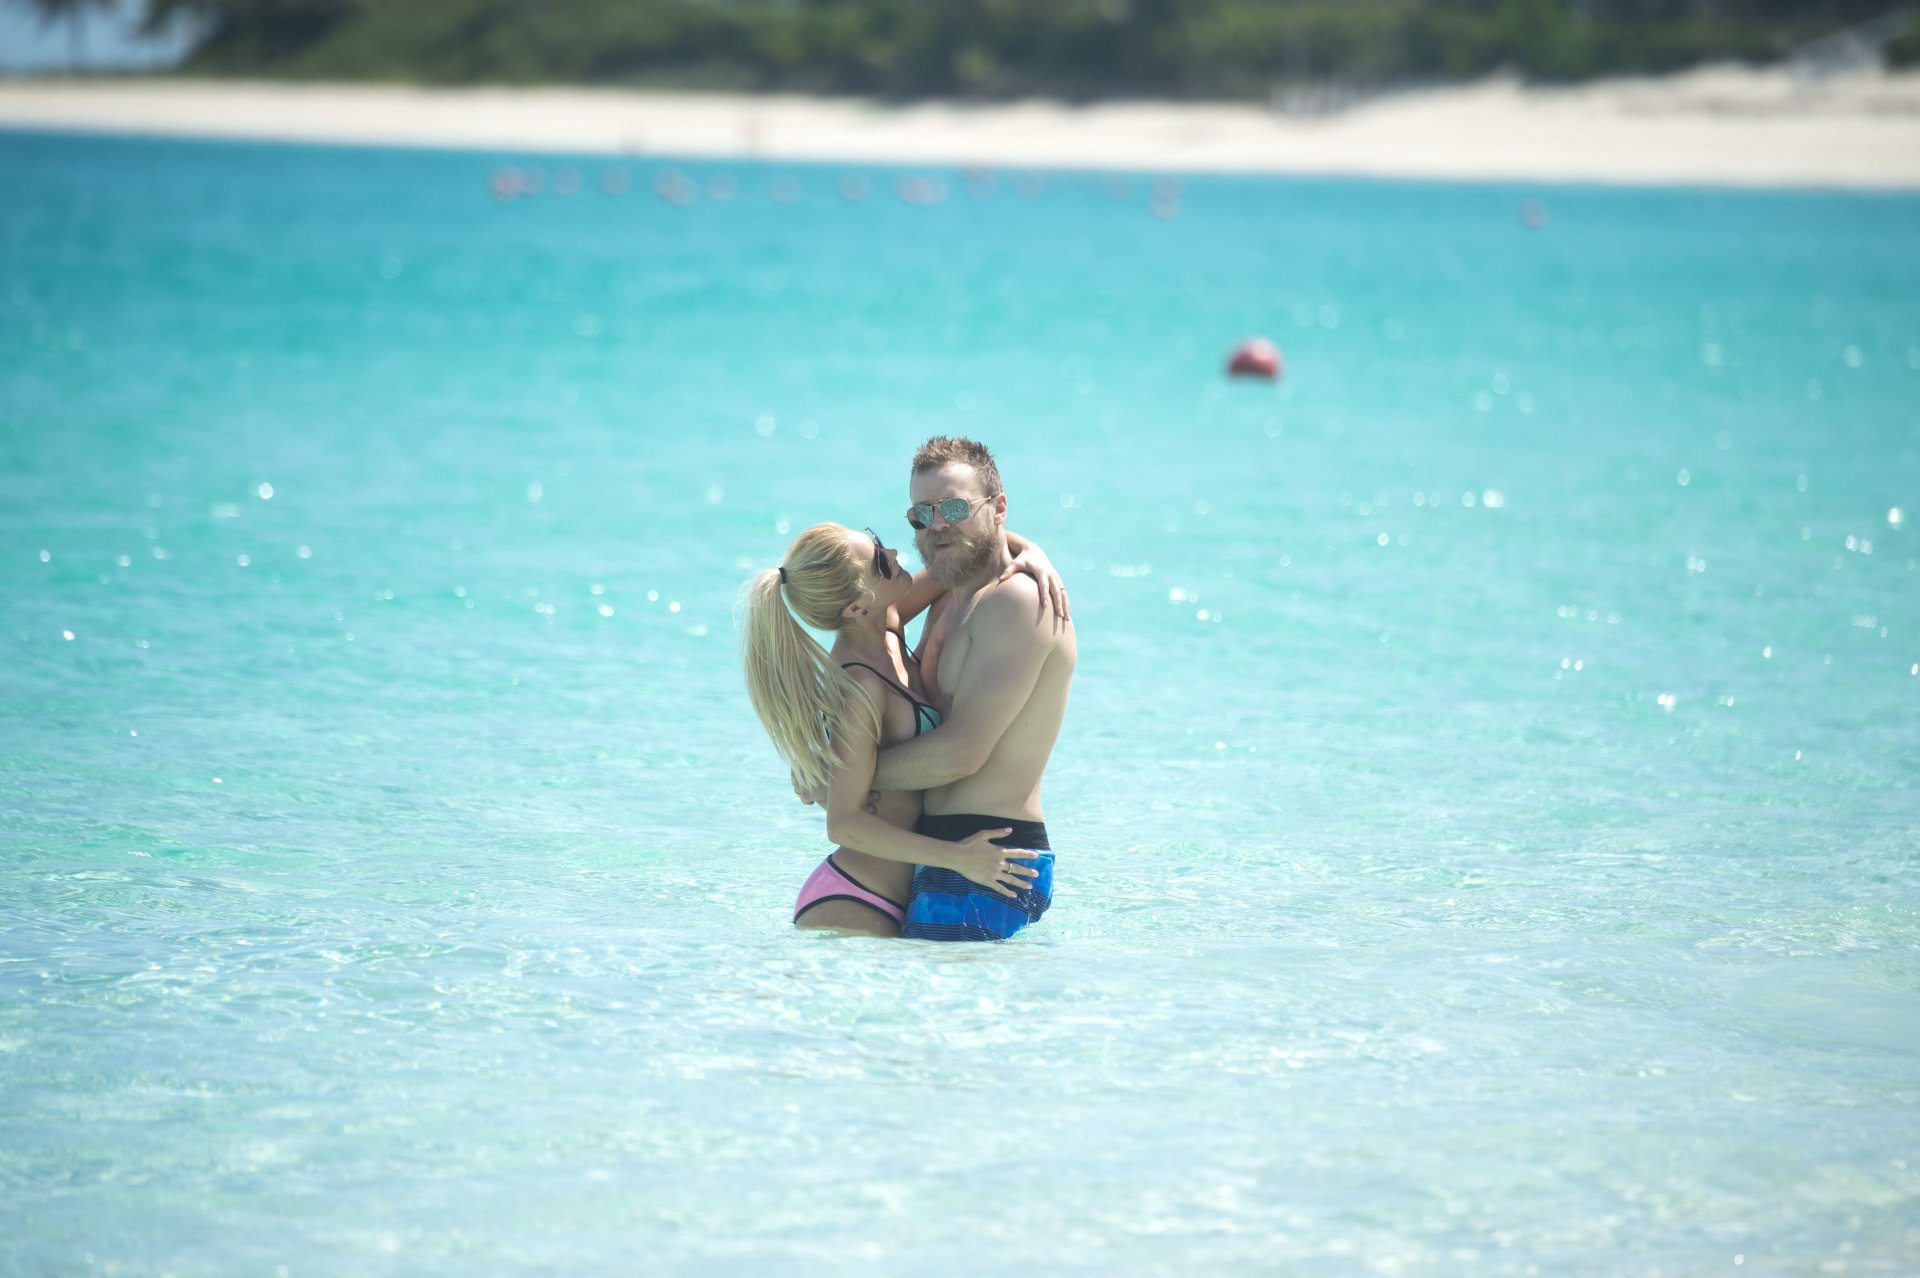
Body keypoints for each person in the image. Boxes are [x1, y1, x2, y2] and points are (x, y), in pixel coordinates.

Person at [740, 522, 1061, 937]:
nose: (891, 553)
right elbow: (843, 824)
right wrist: (959, 858)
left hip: (894, 892)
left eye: (876, 541)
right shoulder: (860, 687)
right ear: (855, 607)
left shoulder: (885, 623)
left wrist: (1032, 551)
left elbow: (970, 557)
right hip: (857, 898)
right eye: (878, 561)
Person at [871, 436, 1077, 942]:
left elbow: (962, 752)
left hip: (994, 858)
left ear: (998, 507)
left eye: (955, 508)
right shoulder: (950, 586)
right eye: (922, 514)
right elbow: (871, 617)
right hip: (940, 849)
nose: (937, 524)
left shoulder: (1017, 601)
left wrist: (839, 776)